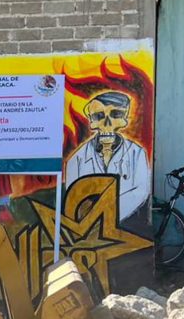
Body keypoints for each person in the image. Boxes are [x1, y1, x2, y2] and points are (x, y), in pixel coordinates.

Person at [64, 91, 151, 221]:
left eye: (116, 114)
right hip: (88, 230)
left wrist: (106, 214)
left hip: (128, 228)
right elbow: (73, 198)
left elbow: (141, 190)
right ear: (91, 121)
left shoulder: (136, 154)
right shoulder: (76, 160)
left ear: (125, 120)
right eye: (98, 116)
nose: (107, 123)